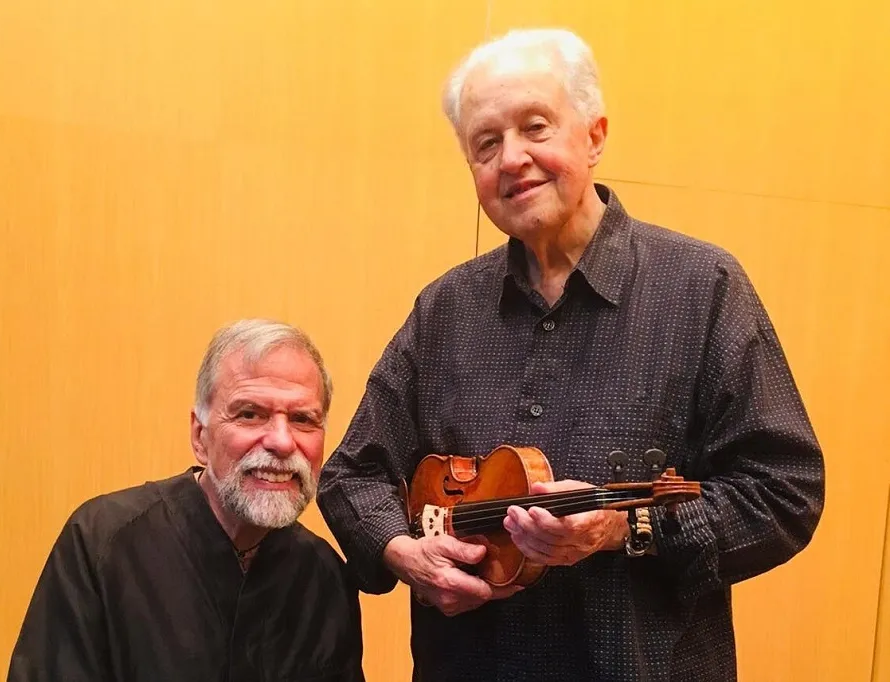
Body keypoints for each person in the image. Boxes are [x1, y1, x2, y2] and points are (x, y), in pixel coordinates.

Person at [317, 28, 824, 681]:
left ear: (595, 135)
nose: (512, 159)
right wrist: (400, 551)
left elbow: (786, 490)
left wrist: (626, 529)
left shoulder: (703, 289)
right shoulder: (444, 310)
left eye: (536, 127)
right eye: (486, 144)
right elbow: (352, 475)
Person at [8, 319, 365, 681]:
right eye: (250, 414)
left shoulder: (326, 578)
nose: (282, 442)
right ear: (200, 437)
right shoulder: (103, 544)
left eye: (303, 419)